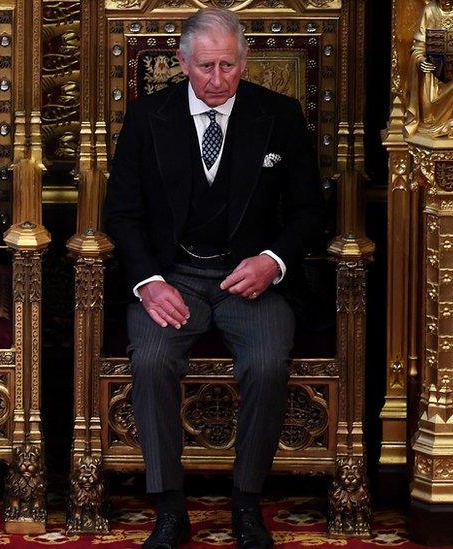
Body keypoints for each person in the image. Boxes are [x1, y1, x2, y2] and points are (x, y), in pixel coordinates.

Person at [103, 8, 325, 549]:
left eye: (229, 65)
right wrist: (149, 282)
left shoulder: (279, 116)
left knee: (269, 362)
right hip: (172, 275)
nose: (218, 79)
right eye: (206, 66)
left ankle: (247, 504)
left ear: (245, 62)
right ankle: (169, 506)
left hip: (250, 278)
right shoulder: (146, 117)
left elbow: (309, 210)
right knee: (152, 358)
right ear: (182, 63)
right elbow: (122, 213)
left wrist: (272, 260)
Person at [406, 0, 453, 137]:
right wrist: (421, 61)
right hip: (434, 71)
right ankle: (433, 123)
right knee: (428, 92)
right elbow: (418, 47)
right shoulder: (429, 10)